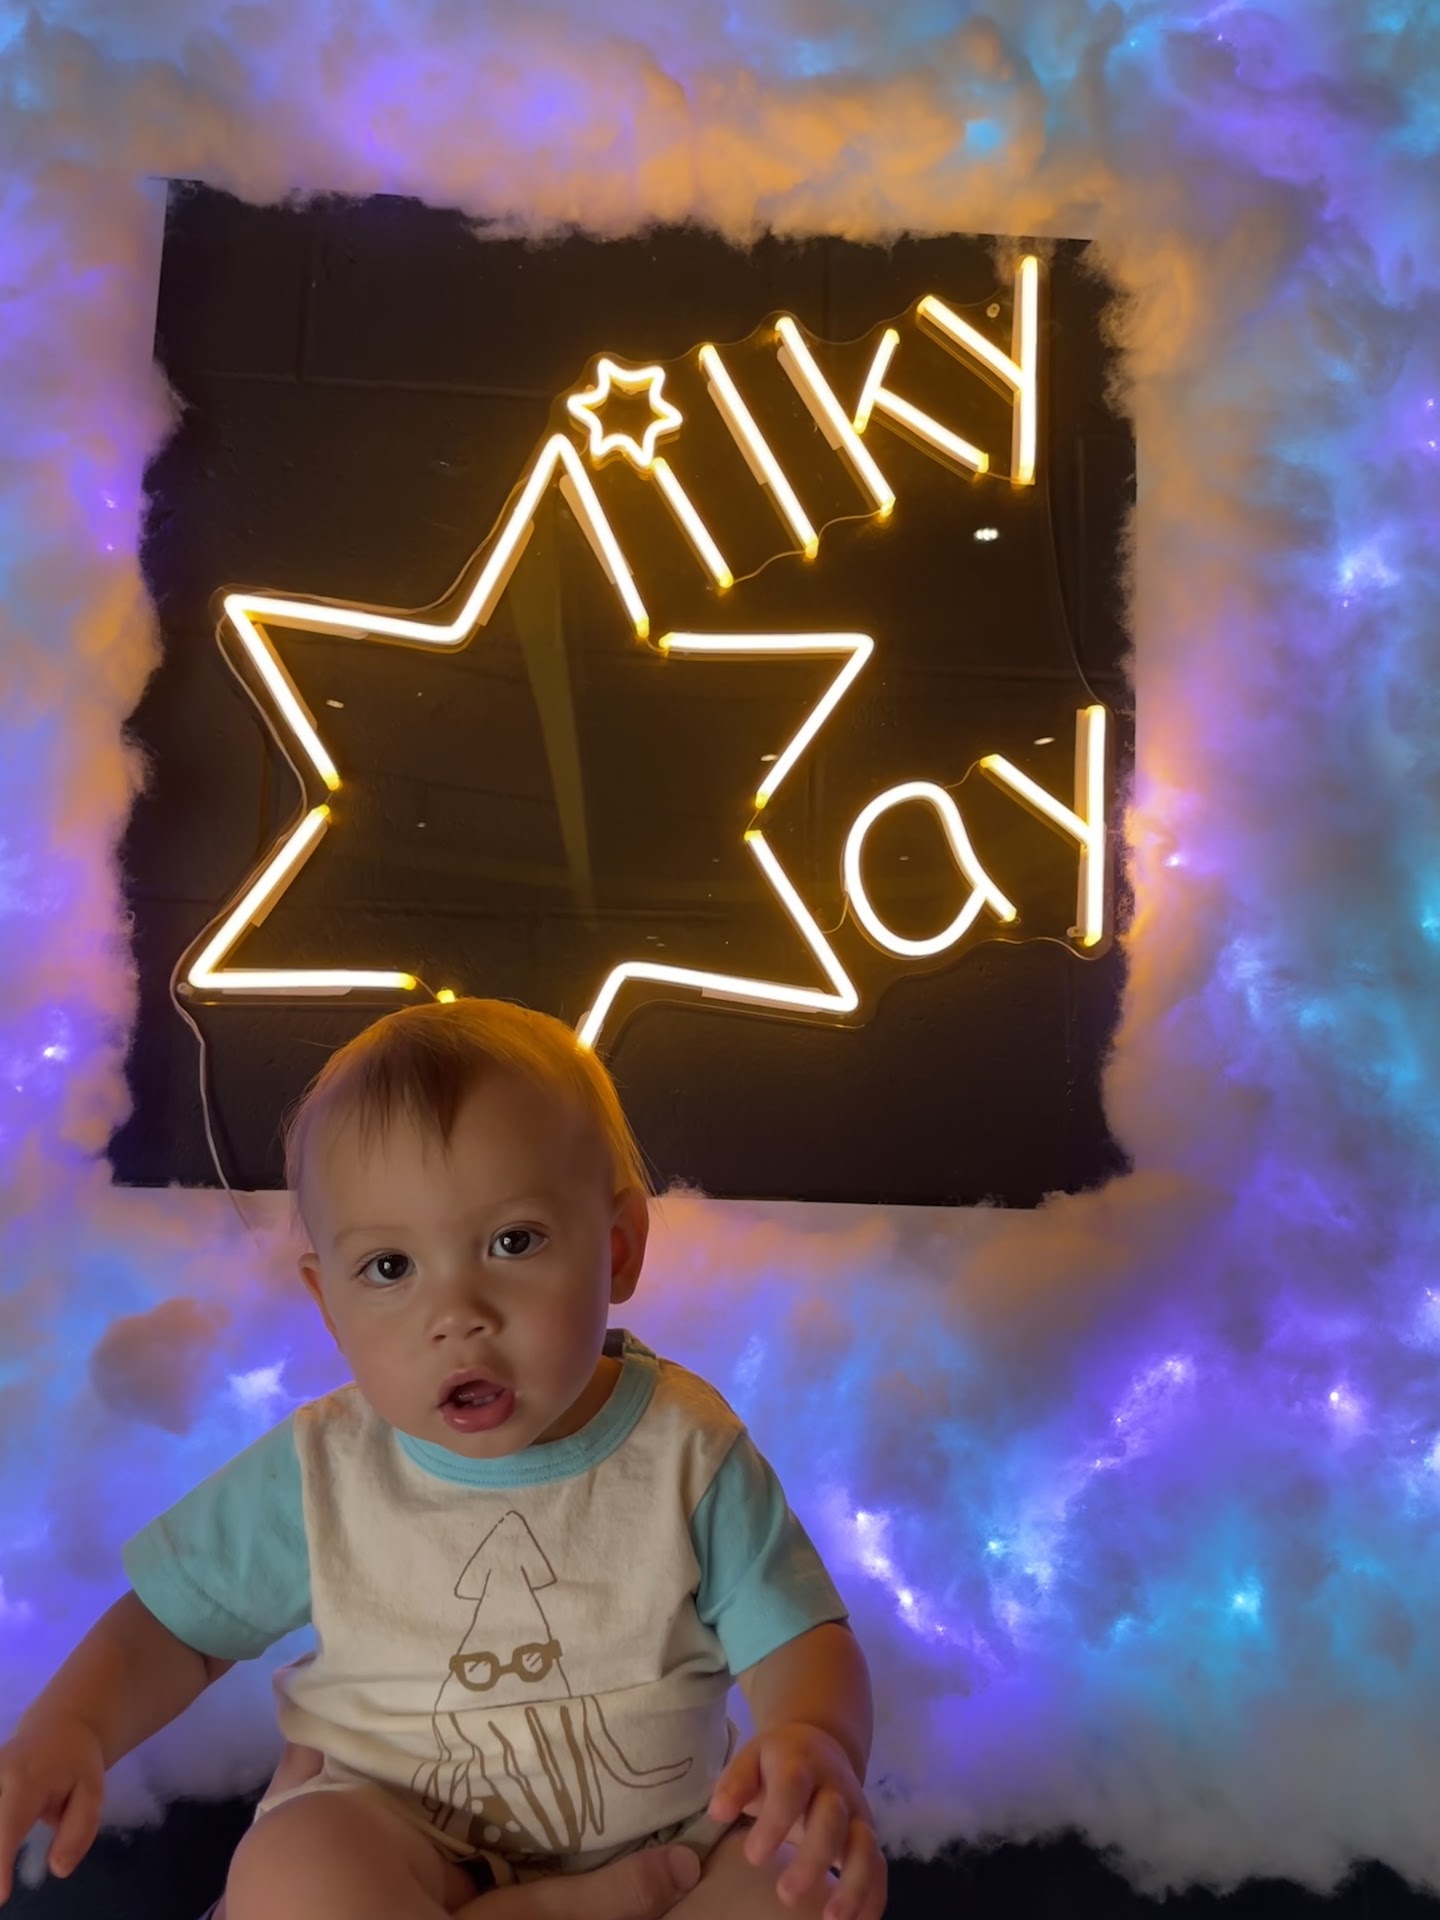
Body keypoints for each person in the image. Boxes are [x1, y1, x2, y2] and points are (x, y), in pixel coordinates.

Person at [0, 998, 887, 1920]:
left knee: (801, 1888)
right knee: (296, 1870)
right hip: (403, 1843)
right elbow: (177, 1627)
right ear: (329, 1305)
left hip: (670, 1853)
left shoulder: (686, 1447)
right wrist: (73, 1725)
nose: (458, 1314)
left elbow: (799, 1636)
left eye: (514, 1242)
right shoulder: (323, 1468)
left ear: (617, 1248)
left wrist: (813, 1735)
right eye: (390, 1268)